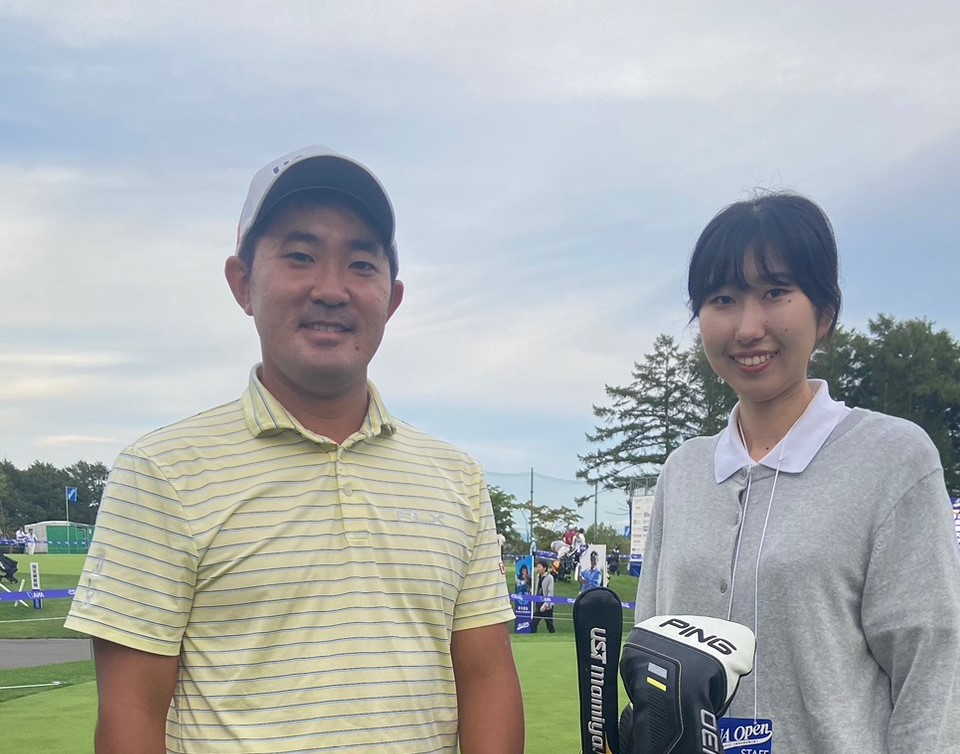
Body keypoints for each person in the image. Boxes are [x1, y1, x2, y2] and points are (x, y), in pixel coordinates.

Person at [64, 146, 524, 754]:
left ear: (392, 298)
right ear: (242, 283)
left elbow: (487, 678)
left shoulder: (455, 477)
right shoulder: (162, 472)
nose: (331, 289)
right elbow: (131, 715)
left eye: (361, 264)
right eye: (300, 256)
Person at [635, 193, 960, 754]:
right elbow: (652, 658)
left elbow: (932, 674)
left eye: (775, 292)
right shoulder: (683, 472)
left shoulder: (892, 458)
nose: (747, 327)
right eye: (723, 298)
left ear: (824, 312)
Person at [530, 559, 555, 634]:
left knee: (549, 624)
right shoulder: (538, 576)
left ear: (544, 568)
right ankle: (533, 637)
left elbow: (550, 592)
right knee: (534, 622)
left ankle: (553, 636)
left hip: (547, 605)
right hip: (539, 603)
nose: (538, 568)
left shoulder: (550, 577)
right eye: (537, 566)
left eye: (539, 567)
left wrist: (545, 605)